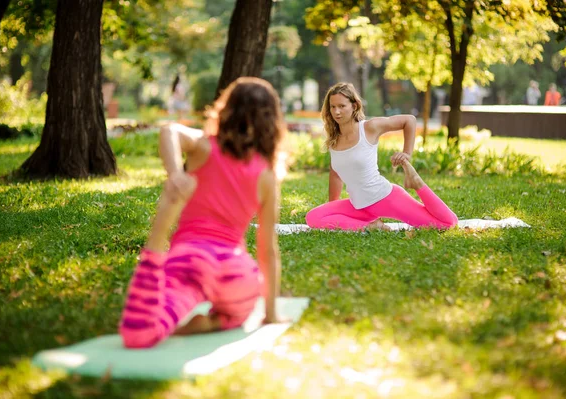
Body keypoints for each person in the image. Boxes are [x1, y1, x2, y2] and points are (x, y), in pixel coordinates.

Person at [119, 77, 286, 349]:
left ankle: (171, 315)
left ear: (226, 110)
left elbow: (169, 131)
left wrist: (175, 174)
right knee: (237, 313)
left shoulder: (205, 146)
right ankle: (215, 322)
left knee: (146, 330)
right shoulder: (266, 175)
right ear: (271, 122)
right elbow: (268, 249)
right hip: (237, 274)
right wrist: (270, 314)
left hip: (192, 262)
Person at [305, 82, 458, 231]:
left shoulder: (369, 128)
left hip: (385, 198)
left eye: (342, 106)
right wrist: (333, 209)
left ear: (354, 106)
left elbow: (409, 120)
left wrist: (407, 154)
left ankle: (417, 183)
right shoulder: (333, 140)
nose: (337, 112)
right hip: (358, 206)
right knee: (313, 217)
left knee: (446, 223)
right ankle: (371, 226)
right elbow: (335, 175)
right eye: (333, 107)